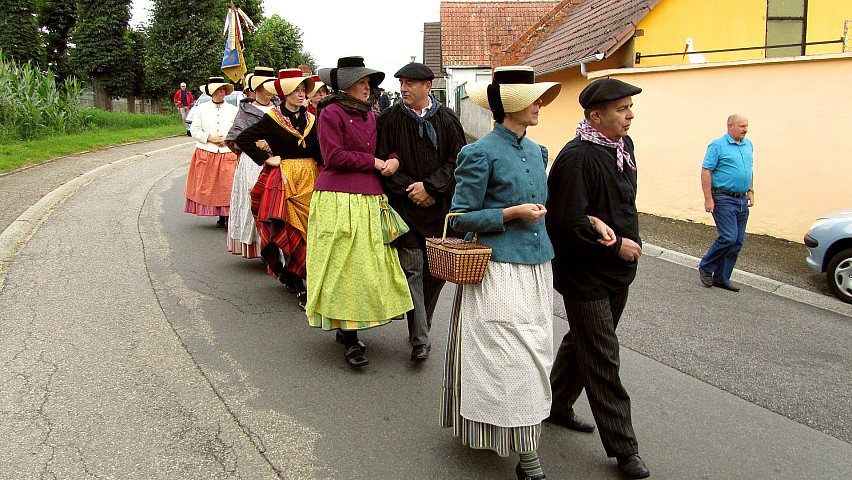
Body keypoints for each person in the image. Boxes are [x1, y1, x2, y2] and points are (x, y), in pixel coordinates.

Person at [439, 66, 561, 480]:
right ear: (511, 106)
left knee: (535, 354)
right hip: (498, 272)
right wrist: (510, 213)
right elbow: (457, 217)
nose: (540, 104)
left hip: (537, 270)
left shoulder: (537, 151)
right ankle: (529, 459)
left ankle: (509, 434)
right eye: (534, 99)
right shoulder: (480, 152)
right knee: (511, 359)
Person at [545, 78, 650, 479]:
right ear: (596, 115)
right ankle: (625, 450)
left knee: (584, 341)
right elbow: (566, 223)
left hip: (618, 270)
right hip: (584, 273)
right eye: (622, 108)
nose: (630, 114)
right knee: (604, 356)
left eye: (629, 107)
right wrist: (615, 243)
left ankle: (555, 404)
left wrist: (627, 243)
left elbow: (623, 202)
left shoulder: (623, 147)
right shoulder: (576, 157)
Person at [307, 56, 413, 368]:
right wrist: (375, 163)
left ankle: (350, 326)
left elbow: (378, 150)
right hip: (338, 197)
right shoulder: (330, 112)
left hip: (368, 198)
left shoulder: (370, 115)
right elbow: (333, 155)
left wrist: (391, 158)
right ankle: (350, 337)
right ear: (347, 84)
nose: (368, 87)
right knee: (343, 266)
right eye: (363, 82)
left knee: (367, 267)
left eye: (369, 82)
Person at [375, 62, 466, 361]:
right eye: (401, 83)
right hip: (405, 209)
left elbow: (458, 162)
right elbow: (381, 160)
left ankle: (420, 323)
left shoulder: (448, 120)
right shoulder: (389, 119)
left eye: (410, 83)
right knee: (412, 270)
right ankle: (420, 340)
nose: (403, 88)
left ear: (427, 86)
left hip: (439, 210)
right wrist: (410, 190)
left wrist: (431, 187)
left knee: (434, 274)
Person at [236, 69, 321, 309]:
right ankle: (298, 284)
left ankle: (310, 280)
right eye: (296, 90)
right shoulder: (272, 118)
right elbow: (244, 139)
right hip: (284, 182)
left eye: (304, 89)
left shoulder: (312, 118)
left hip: (311, 179)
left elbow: (320, 149)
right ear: (284, 93)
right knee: (290, 232)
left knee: (311, 233)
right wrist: (265, 158)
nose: (302, 94)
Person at [224, 66, 278, 259]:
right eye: (266, 85)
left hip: (278, 159)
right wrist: (255, 144)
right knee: (253, 201)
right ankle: (258, 245)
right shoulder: (246, 111)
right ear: (258, 88)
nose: (270, 89)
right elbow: (234, 139)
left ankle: (276, 247)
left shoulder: (279, 109)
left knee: (275, 203)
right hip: (252, 163)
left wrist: (271, 143)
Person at [698, 114, 754, 292]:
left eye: (746, 126)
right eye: (741, 126)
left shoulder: (748, 145)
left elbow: (749, 170)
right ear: (730, 126)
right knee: (728, 237)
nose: (745, 129)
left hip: (741, 199)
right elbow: (706, 171)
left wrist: (751, 191)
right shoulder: (717, 145)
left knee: (737, 241)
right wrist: (708, 198)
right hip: (723, 198)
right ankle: (706, 266)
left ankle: (722, 277)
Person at [185, 77, 239, 227]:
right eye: (218, 90)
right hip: (207, 151)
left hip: (228, 151)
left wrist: (228, 139)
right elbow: (194, 130)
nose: (221, 92)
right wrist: (209, 137)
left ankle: (229, 216)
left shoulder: (234, 110)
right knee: (211, 186)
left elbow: (238, 130)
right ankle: (220, 216)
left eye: (223, 90)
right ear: (211, 92)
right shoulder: (202, 109)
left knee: (229, 185)